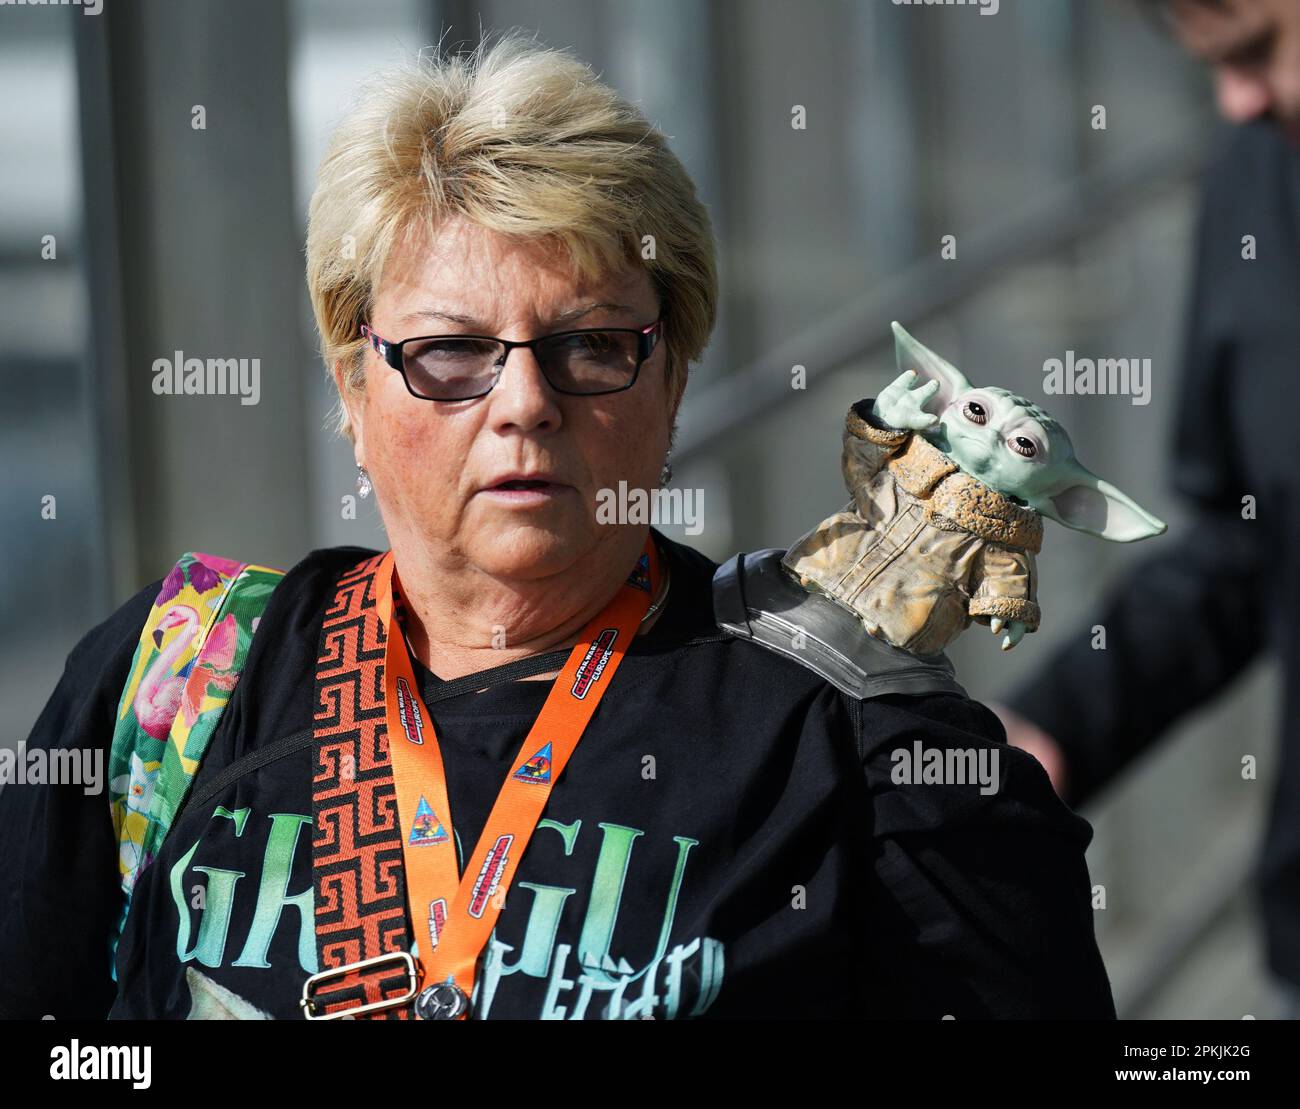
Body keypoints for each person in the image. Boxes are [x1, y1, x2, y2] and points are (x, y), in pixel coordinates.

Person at [0, 32, 1114, 1021]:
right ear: (351, 386)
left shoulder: (857, 741)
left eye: (589, 346)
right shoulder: (177, 675)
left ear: (671, 374)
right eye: (448, 353)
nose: (525, 403)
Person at [996, 0, 1300, 1019]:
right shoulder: (1260, 168)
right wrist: (1048, 725)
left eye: (1260, 50)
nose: (1237, 98)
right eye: (1210, 63)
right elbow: (1248, 543)